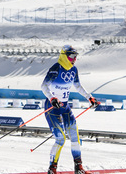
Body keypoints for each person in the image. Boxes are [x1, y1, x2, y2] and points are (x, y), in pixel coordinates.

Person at [41, 45, 100, 174]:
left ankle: (78, 168)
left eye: (75, 56)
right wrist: (52, 98)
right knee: (61, 139)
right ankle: (52, 169)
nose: (74, 59)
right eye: (71, 56)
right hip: (52, 107)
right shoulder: (56, 68)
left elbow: (78, 86)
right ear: (64, 56)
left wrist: (90, 98)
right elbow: (44, 86)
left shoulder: (73, 70)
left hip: (65, 107)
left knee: (75, 136)